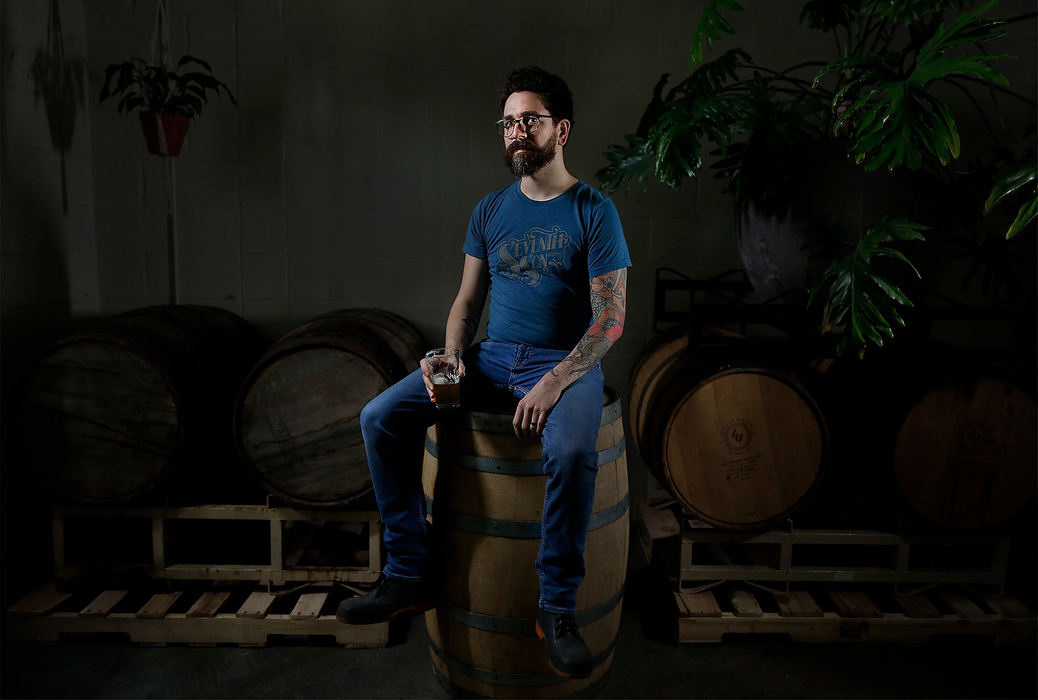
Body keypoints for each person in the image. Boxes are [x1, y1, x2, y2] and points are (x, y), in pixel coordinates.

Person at [336, 65, 631, 680]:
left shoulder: (594, 211)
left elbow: (609, 322)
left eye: (531, 119)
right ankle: (408, 573)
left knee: (574, 452)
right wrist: (449, 356)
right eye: (508, 122)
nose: (517, 131)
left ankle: (557, 610)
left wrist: (554, 383)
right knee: (380, 417)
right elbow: (467, 303)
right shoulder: (490, 210)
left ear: (562, 130)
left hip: (562, 365)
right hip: (493, 359)